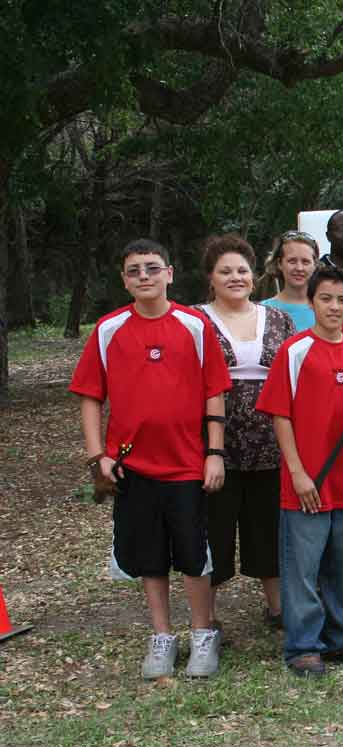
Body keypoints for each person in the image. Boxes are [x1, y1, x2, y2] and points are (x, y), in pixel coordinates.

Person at [70, 238, 231, 679]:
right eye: (134, 270)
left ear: (169, 274)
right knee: (149, 555)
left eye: (152, 268)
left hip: (187, 464)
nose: (144, 276)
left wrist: (214, 453)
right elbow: (90, 395)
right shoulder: (109, 329)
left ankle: (202, 633)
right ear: (124, 280)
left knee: (193, 554)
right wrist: (97, 456)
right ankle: (162, 637)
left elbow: (214, 391)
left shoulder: (195, 325)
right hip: (133, 466)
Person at [256, 264, 343, 677]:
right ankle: (303, 646)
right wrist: (297, 472)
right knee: (303, 568)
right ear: (311, 302)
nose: (335, 307)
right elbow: (280, 414)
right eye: (326, 298)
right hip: (307, 479)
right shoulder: (295, 350)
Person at [195, 234, 295, 633]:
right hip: (215, 442)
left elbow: (292, 376)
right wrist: (211, 449)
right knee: (214, 528)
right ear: (211, 277)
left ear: (254, 276)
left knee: (269, 526)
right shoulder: (195, 320)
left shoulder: (279, 319)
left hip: (271, 441)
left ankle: (278, 608)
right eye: (225, 271)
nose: (235, 277)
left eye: (242, 270)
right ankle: (207, 617)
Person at [262, 230, 319, 331]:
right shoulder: (263, 310)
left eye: (305, 262)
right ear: (279, 263)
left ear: (315, 265)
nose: (299, 268)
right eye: (292, 261)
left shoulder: (326, 309)